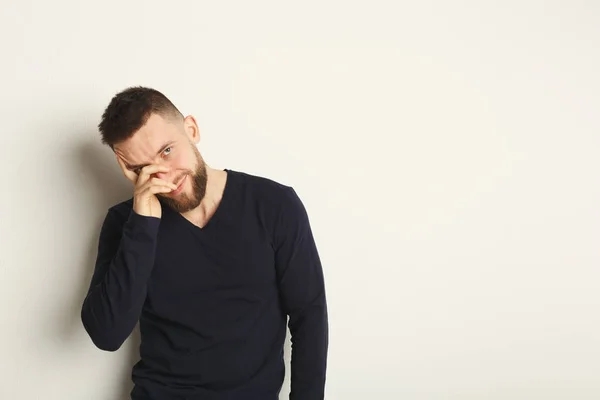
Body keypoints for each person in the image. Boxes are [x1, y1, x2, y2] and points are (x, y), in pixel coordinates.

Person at [80, 87, 328, 400]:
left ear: (191, 130)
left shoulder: (274, 205)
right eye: (143, 168)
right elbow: (107, 333)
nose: (164, 176)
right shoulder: (125, 224)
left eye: (167, 150)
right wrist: (143, 222)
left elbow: (309, 315)